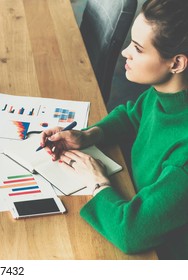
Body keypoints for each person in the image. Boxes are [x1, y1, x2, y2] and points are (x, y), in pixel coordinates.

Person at [39, 0, 188, 259]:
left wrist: (97, 182)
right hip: (136, 199)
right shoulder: (166, 95)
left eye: (138, 49)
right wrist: (87, 135)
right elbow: (132, 116)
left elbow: (131, 233)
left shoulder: (184, 157)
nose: (124, 53)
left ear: (176, 64)